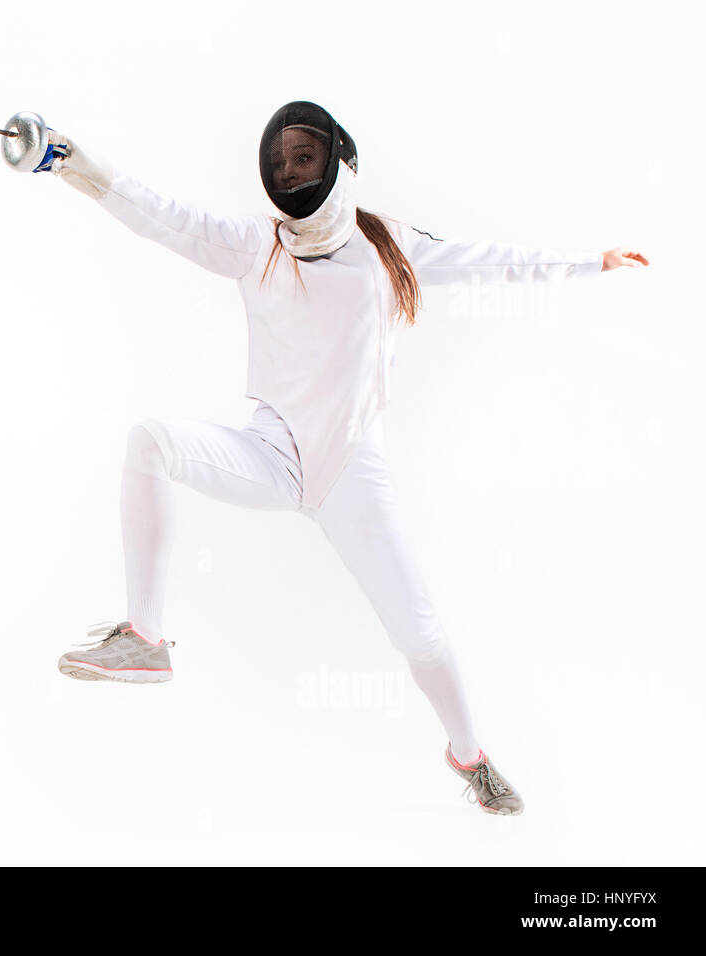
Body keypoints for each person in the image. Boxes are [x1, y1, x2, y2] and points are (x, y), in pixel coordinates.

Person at [43, 101, 650, 815]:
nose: (290, 169)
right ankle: (145, 637)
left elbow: (495, 262)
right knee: (150, 441)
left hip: (351, 472)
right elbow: (161, 215)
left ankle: (469, 755)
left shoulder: (389, 242)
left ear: (340, 163)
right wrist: (70, 162)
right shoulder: (255, 244)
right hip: (271, 453)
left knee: (417, 630)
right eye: (279, 161)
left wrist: (589, 263)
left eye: (303, 156)